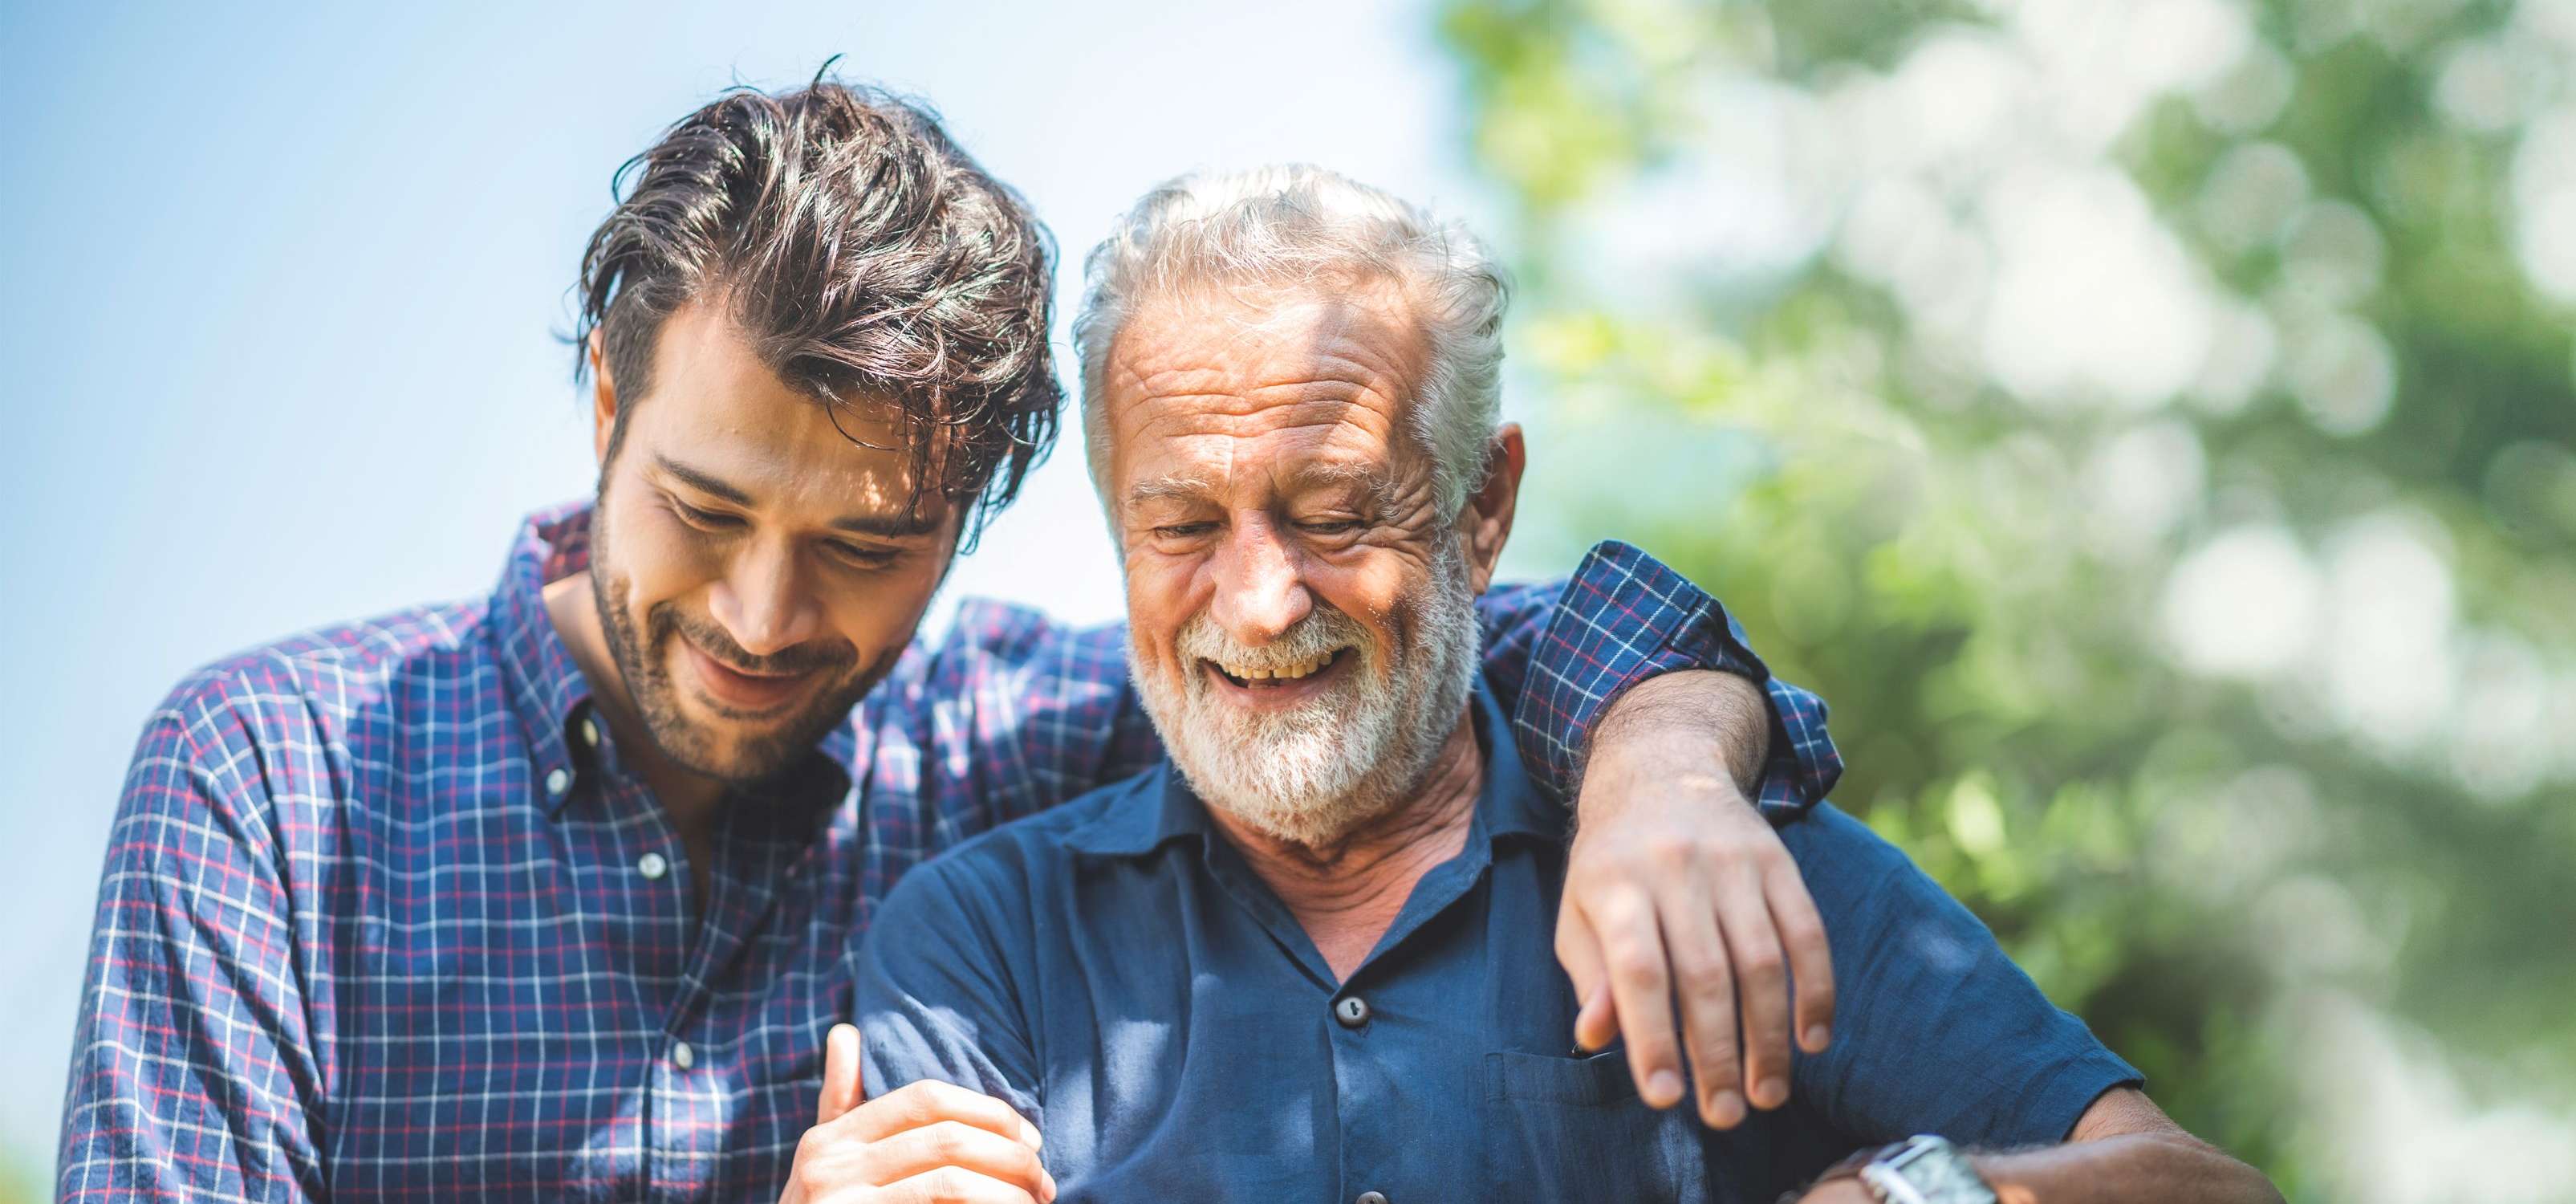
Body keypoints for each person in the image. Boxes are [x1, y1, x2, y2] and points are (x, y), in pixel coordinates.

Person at [58, 81, 1846, 1202]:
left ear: (977, 518)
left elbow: (1421, 629)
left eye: (864, 545)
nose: (765, 618)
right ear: (605, 401)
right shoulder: (265, 787)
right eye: (703, 508)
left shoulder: (1018, 736)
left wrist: (1663, 760)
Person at [844, 165, 2283, 1203]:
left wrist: (1918, 1198)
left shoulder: (1709, 854)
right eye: (1180, 524)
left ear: (1482, 503)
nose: (1261, 599)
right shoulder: (984, 944)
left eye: (1337, 510)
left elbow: (2195, 1186)